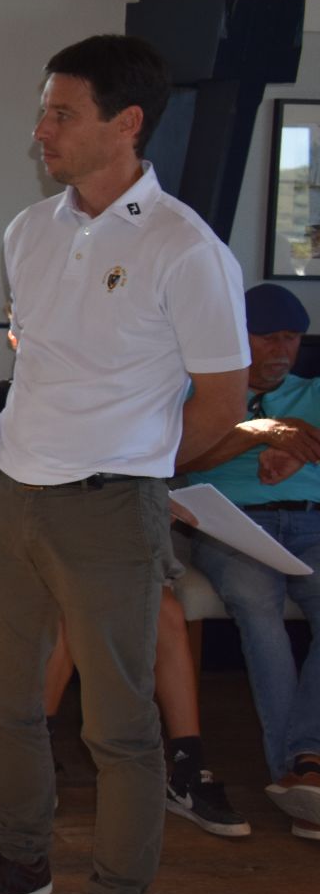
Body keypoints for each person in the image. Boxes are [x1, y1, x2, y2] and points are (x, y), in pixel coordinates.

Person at [0, 35, 247, 894]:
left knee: (119, 729)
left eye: (62, 113)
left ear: (127, 123)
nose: (42, 130)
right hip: (12, 497)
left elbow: (223, 403)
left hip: (114, 508)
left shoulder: (186, 249)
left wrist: (137, 468)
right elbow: (35, 353)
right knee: (2, 699)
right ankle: (22, 856)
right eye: (44, 110)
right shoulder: (28, 230)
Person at [0, 381, 250, 837]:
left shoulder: (121, 396)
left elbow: (132, 474)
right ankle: (37, 759)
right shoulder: (5, 398)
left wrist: (149, 499)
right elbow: (23, 488)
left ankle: (187, 769)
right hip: (44, 552)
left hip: (114, 547)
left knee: (167, 615)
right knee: (67, 617)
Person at [177, 281, 320, 842]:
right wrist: (253, 436)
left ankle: (304, 762)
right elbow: (178, 459)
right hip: (231, 526)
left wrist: (295, 456)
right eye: (267, 338)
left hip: (312, 523)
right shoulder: (204, 393)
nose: (282, 350)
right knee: (258, 608)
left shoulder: (313, 392)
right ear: (238, 338)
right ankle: (297, 769)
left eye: (292, 338)